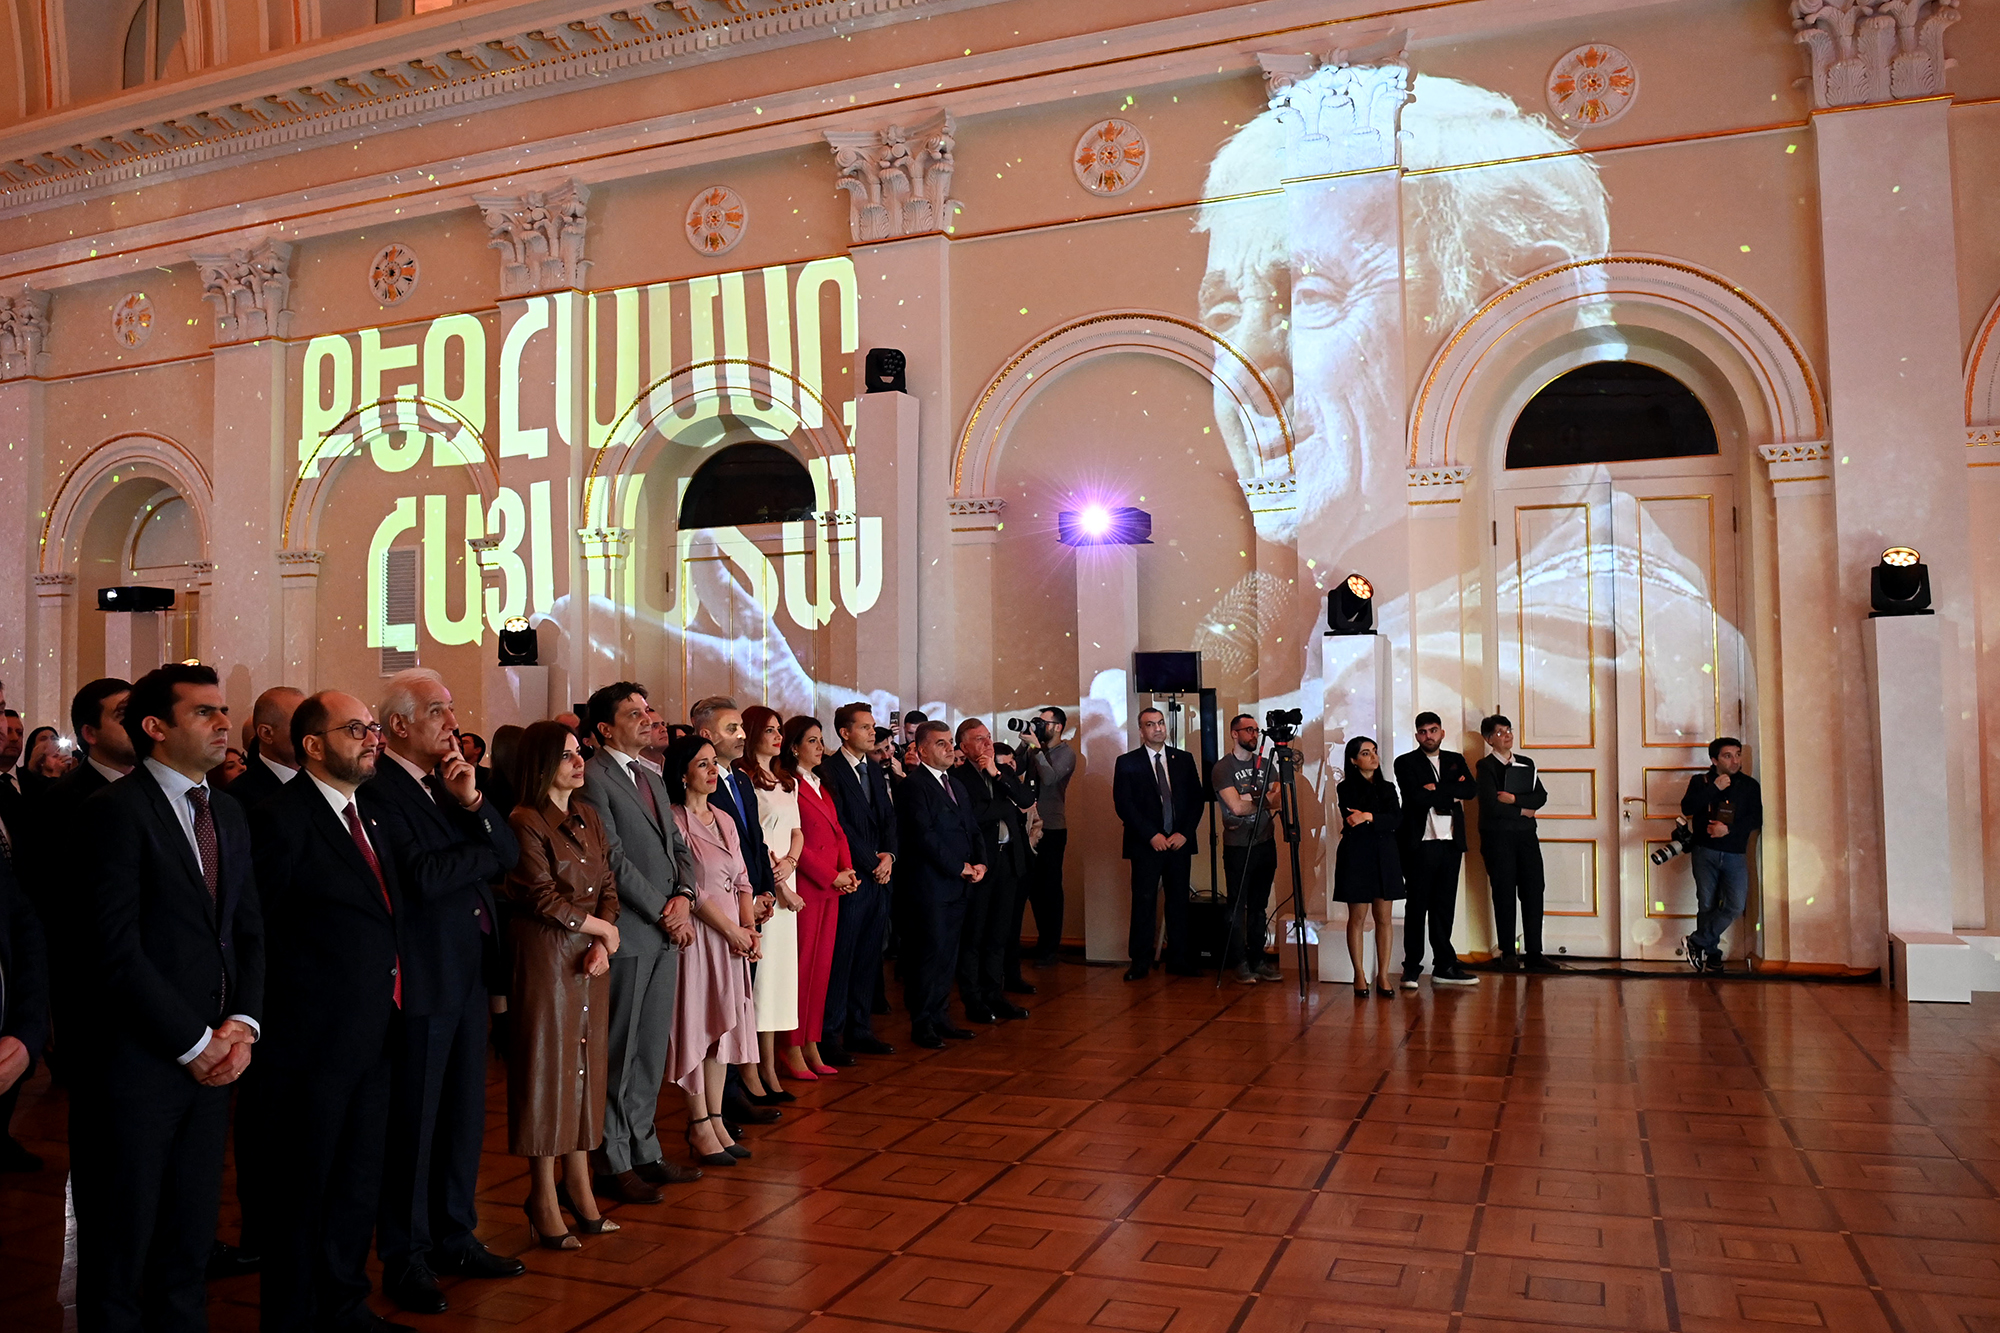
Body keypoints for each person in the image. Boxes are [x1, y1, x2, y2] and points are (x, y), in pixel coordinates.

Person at [71, 662, 264, 1333]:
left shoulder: (228, 811)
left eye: (224, 709)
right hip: (136, 1067)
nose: (222, 723)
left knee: (186, 1244)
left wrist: (241, 1022)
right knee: (120, 1253)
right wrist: (194, 1041)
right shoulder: (114, 812)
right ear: (155, 727)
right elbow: (113, 950)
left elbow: (246, 931)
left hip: (212, 1064)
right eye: (204, 711)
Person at [243, 691, 405, 1333]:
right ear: (313, 745)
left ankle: (343, 1306)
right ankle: (292, 1318)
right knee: (300, 1194)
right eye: (356, 729)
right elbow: (259, 930)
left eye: (372, 728)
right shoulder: (278, 819)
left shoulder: (369, 814)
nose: (372, 738)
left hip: (373, 1032)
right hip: (307, 1043)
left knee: (355, 1183)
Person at [363, 668, 524, 1314]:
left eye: (451, 709)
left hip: (465, 973)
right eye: (437, 710)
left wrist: (471, 805)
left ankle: (456, 1233)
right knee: (414, 1122)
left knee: (461, 1115)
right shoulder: (379, 792)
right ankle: (405, 1254)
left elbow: (506, 849)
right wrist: (478, 851)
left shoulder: (445, 787)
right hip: (421, 975)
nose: (451, 723)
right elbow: (424, 877)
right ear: (398, 724)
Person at [575, 682, 701, 1205]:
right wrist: (663, 910)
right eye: (634, 713)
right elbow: (613, 858)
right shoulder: (595, 778)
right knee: (619, 1050)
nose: (648, 718)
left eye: (648, 709)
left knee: (649, 1049)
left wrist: (687, 896)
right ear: (605, 728)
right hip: (630, 930)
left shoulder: (648, 773)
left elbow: (679, 845)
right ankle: (612, 1158)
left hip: (665, 928)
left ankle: (645, 1147)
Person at [6, 678, 134, 1175]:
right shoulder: (64, 802)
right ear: (90, 732)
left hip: (156, 991)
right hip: (93, 993)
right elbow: (49, 905)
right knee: (106, 1134)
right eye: (124, 714)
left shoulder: (155, 788)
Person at [503, 722, 623, 1250]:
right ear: (543, 762)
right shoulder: (524, 820)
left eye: (581, 754)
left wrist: (603, 942)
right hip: (547, 957)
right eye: (568, 755)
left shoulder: (589, 815)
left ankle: (580, 1185)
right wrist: (600, 931)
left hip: (591, 957)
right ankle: (542, 1197)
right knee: (547, 1074)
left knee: (588, 1069)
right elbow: (542, 896)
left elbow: (610, 889)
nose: (579, 762)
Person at [664, 734, 759, 1168]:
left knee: (724, 1031)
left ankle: (717, 1119)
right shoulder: (674, 818)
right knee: (700, 1029)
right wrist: (731, 931)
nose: (710, 772)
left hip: (732, 939)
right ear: (683, 772)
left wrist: (749, 928)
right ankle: (698, 1123)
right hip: (701, 939)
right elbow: (692, 890)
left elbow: (742, 881)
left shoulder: (724, 817)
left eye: (711, 764)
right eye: (702, 765)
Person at [691, 697, 782, 1131]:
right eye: (732, 729)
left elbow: (754, 841)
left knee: (743, 1001)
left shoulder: (742, 781)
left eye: (741, 728)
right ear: (705, 735)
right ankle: (721, 1102)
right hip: (718, 910)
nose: (742, 735)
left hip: (749, 903)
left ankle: (734, 1092)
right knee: (721, 1010)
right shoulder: (699, 786)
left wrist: (764, 892)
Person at [897, 720, 984, 1048]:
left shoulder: (957, 785)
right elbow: (923, 836)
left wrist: (981, 862)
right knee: (928, 954)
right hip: (930, 886)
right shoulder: (914, 786)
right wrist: (958, 866)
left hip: (959, 885)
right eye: (941, 744)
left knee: (949, 953)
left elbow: (971, 828)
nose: (950, 748)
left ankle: (941, 1015)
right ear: (921, 750)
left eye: (951, 742)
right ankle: (922, 1023)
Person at [735, 705, 808, 1088]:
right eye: (769, 730)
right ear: (750, 735)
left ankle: (769, 1065)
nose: (778, 737)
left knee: (780, 980)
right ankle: (754, 1069)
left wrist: (791, 864)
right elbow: (752, 838)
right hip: (764, 884)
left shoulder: (786, 780)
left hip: (785, 878)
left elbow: (797, 831)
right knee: (759, 982)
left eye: (780, 730)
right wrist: (777, 882)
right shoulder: (743, 778)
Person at [779, 715, 857, 1070]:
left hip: (830, 889)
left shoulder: (820, 784)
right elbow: (797, 842)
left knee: (821, 968)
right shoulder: (788, 783)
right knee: (802, 968)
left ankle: (812, 1042)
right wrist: (831, 875)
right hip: (808, 887)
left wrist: (847, 869)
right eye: (812, 741)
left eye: (820, 740)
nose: (820, 747)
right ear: (793, 746)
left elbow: (838, 831)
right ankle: (791, 1045)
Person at [822, 702, 897, 1059]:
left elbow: (888, 820)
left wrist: (890, 856)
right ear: (844, 732)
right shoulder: (830, 770)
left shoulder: (875, 768)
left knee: (870, 956)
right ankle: (831, 1034)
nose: (872, 732)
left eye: (873, 726)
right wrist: (872, 861)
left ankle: (860, 1028)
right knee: (844, 956)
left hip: (879, 878)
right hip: (851, 877)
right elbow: (840, 825)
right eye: (865, 727)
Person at [1112, 707, 1205, 981]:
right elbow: (1124, 804)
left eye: (1161, 723)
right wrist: (1151, 835)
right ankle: (1140, 961)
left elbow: (1196, 800)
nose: (1158, 728)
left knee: (1178, 902)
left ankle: (1178, 959)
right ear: (1141, 731)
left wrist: (1184, 834)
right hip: (1146, 844)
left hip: (1178, 843)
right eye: (1150, 724)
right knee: (1144, 902)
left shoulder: (1183, 759)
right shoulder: (1127, 762)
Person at [952, 719, 1032, 1023]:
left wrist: (997, 774)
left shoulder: (1002, 773)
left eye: (988, 738)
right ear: (963, 747)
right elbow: (972, 816)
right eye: (978, 739)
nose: (986, 743)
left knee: (1000, 933)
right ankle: (973, 999)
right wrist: (1006, 808)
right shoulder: (957, 778)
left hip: (1008, 861)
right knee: (975, 934)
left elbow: (1026, 800)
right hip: (980, 864)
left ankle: (994, 994)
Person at [1394, 712, 1481, 989]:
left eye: (1433, 730)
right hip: (1420, 845)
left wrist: (1437, 789)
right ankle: (1411, 968)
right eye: (1422, 731)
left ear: (1442, 732)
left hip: (1451, 844)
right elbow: (1414, 797)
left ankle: (1444, 965)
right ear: (1417, 735)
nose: (1428, 736)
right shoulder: (1405, 762)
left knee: (1444, 907)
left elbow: (1471, 790)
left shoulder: (1455, 760)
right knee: (1417, 907)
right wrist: (1450, 791)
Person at [1475, 714, 1555, 973]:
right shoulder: (1485, 767)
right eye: (1499, 732)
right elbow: (1490, 805)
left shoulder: (1526, 763)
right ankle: (1508, 951)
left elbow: (1540, 796)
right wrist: (1523, 809)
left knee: (1534, 890)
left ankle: (1535, 952)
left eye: (1508, 730)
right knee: (1504, 892)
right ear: (1489, 739)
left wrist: (1515, 800)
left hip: (1526, 838)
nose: (1507, 735)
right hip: (1498, 838)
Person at [1680, 738, 1764, 974]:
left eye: (1738, 754)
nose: (1735, 760)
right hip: (1704, 852)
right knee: (1706, 904)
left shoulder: (1749, 785)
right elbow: (1687, 808)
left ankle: (1697, 941)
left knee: (1735, 905)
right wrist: (1714, 789)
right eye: (1728, 755)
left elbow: (1755, 819)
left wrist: (1728, 829)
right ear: (1715, 759)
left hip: (1735, 854)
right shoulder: (1701, 781)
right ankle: (1712, 953)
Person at [1214, 714, 1282, 985]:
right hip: (1238, 846)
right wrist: (1261, 799)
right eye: (1248, 730)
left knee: (1259, 906)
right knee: (1237, 906)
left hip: (1265, 843)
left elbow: (1279, 800)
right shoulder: (1223, 768)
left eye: (1256, 730)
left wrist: (1251, 799)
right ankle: (1239, 961)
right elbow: (1236, 807)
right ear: (1234, 733)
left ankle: (1258, 959)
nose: (1254, 734)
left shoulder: (1267, 765)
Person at [1333, 737, 1403, 997]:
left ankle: (1383, 975)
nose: (1373, 757)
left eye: (1374, 751)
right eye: (1365, 753)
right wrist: (1373, 818)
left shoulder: (1388, 787)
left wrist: (1369, 816)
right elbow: (1351, 818)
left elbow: (1396, 820)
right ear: (1353, 760)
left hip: (1385, 854)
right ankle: (1359, 974)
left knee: (1384, 918)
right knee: (1358, 918)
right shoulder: (1346, 788)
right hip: (1357, 854)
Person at [1022, 706, 1074, 966]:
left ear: (1058, 727)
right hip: (1030, 827)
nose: (1040, 727)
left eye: (1044, 723)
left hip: (1052, 828)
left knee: (1050, 889)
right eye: (1037, 723)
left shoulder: (1067, 753)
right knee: (1032, 888)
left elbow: (1050, 778)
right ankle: (1041, 942)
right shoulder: (1033, 749)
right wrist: (1026, 743)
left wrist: (1034, 748)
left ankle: (1050, 948)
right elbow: (1016, 768)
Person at [226, 687, 305, 811]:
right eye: (300, 725)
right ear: (266, 733)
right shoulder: (238, 797)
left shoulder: (320, 780)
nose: (311, 734)